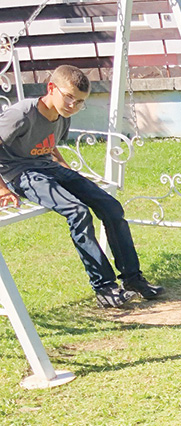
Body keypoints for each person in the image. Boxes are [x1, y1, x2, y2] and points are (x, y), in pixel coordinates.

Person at [0, 65, 163, 308]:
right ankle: (104, 288)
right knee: (77, 211)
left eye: (79, 102)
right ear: (51, 88)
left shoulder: (62, 115)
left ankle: (133, 279)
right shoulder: (22, 114)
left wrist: (64, 166)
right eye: (69, 98)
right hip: (21, 173)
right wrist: (3, 189)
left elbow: (48, 143)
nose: (73, 106)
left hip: (48, 168)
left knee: (111, 206)